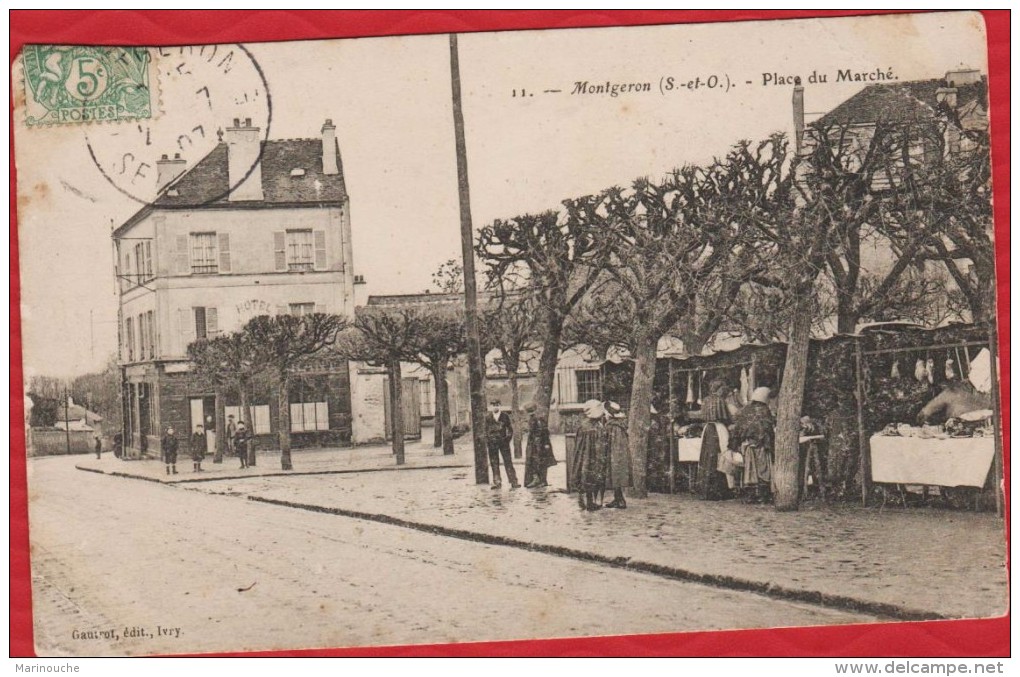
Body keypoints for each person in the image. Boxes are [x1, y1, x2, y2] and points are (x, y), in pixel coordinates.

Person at [691, 378, 739, 500]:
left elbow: (702, 416)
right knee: (721, 456)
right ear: (719, 389)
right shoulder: (720, 400)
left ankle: (704, 489)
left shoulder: (706, 400)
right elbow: (726, 418)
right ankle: (719, 490)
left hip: (707, 429)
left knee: (707, 457)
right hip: (718, 429)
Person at [732, 386, 776, 503]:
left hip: (746, 444)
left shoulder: (745, 410)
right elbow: (767, 428)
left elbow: (738, 428)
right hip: (760, 445)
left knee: (750, 470)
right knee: (763, 469)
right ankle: (763, 495)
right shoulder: (764, 411)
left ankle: (750, 495)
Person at [569, 399, 609, 511]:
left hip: (583, 455)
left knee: (584, 475)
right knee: (593, 476)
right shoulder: (598, 426)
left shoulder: (583, 425)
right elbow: (601, 444)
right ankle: (590, 502)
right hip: (594, 456)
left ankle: (585, 500)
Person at [603, 401, 632, 509]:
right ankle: (618, 498)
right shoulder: (617, 425)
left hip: (615, 453)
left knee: (616, 475)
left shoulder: (614, 426)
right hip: (617, 453)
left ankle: (621, 500)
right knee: (615, 476)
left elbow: (615, 443)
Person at [486, 400, 519, 489]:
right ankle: (497, 482)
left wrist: (507, 439)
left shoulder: (505, 416)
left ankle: (513, 481)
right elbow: (485, 430)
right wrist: (489, 440)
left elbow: (510, 429)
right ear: (491, 407)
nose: (495, 407)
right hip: (492, 444)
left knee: (508, 461)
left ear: (500, 406)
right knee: (494, 462)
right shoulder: (488, 417)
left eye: (497, 405)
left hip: (503, 443)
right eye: (493, 405)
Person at [523, 403, 556, 488]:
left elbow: (544, 432)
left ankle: (539, 480)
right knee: (537, 461)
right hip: (535, 444)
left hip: (540, 444)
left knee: (539, 462)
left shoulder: (538, 419)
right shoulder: (533, 419)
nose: (530, 414)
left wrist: (545, 443)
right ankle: (540, 480)